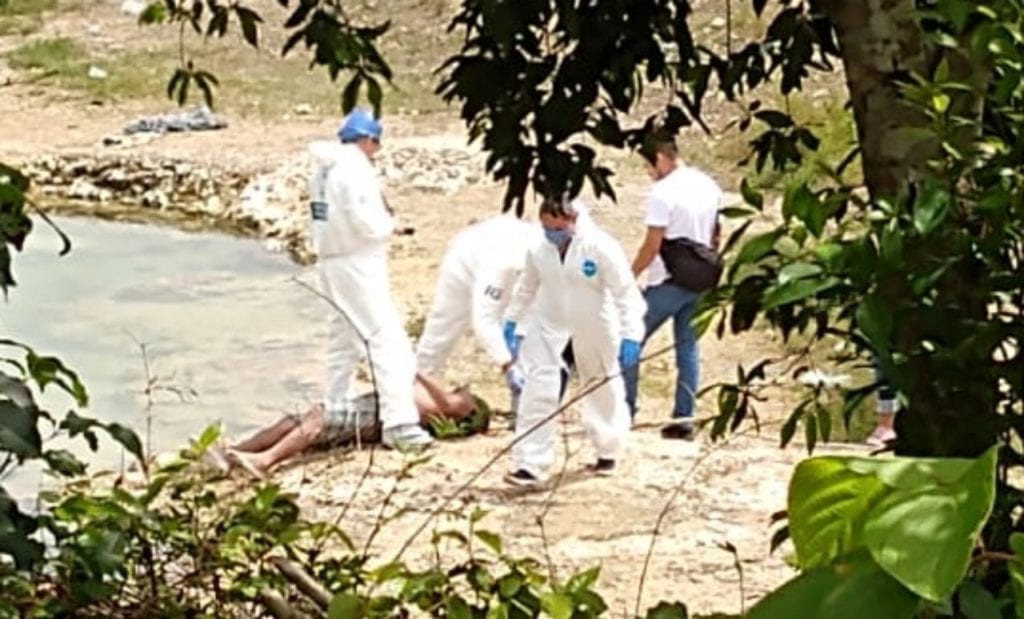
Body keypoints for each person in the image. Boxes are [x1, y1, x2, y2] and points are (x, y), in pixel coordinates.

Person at [308, 108, 433, 451]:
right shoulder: (354, 169)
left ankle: (336, 408)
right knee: (387, 340)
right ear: (368, 139)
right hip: (358, 262)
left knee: (344, 337)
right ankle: (399, 422)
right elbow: (365, 221)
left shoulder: (323, 170)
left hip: (331, 260)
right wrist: (392, 226)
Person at [502, 196, 646, 486]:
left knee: (600, 387)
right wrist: (512, 320)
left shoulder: (600, 247)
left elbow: (625, 293)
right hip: (549, 326)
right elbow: (527, 286)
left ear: (573, 221)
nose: (551, 234)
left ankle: (607, 449)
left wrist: (632, 334)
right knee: (538, 392)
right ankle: (530, 464)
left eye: (557, 228)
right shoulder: (539, 249)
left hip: (594, 327)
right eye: (546, 228)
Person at [624, 134, 722, 441]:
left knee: (629, 337)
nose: (648, 172)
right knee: (688, 347)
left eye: (648, 165)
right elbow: (715, 234)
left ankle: (624, 410)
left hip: (667, 279)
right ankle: (684, 416)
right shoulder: (708, 185)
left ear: (659, 158)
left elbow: (652, 244)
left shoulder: (663, 192)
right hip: (701, 277)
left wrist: (629, 276)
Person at [216, 374, 481, 478]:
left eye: (469, 396)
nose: (465, 390)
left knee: (320, 419)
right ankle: (237, 452)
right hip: (372, 405)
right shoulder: (441, 401)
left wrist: (410, 364)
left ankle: (265, 460)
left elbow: (448, 401)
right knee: (291, 422)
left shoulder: (450, 407)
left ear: (469, 413)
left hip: (376, 415)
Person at [415, 213, 540, 408]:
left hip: (517, 277)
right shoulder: (501, 264)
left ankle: (524, 404)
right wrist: (506, 363)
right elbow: (485, 318)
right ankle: (417, 388)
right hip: (464, 265)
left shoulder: (552, 259)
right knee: (443, 330)